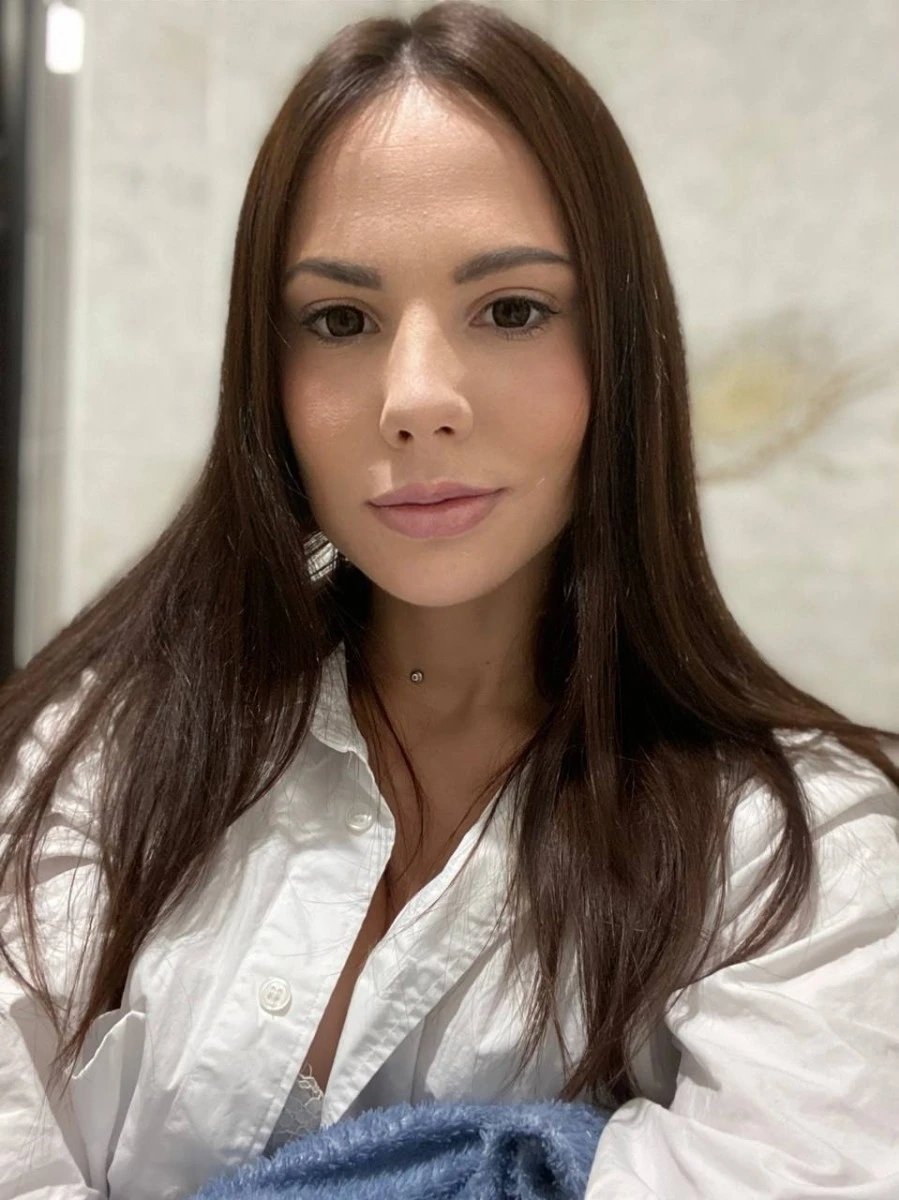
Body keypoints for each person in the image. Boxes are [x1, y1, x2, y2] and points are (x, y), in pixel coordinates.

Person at [2, 2, 897, 1197]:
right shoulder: (93, 756)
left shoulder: (797, 859)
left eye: (511, 309)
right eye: (340, 320)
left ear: (617, 351)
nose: (415, 399)